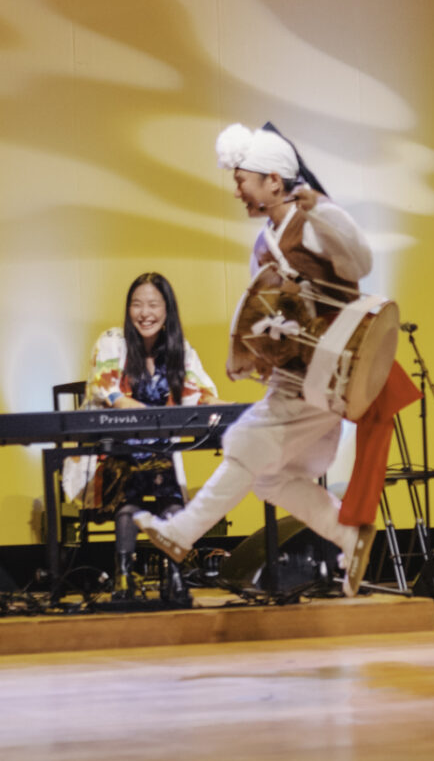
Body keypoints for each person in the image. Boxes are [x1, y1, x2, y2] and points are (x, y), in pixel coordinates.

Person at [138, 124, 376, 598]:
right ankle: (349, 535)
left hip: (327, 371)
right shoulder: (265, 242)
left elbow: (360, 263)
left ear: (272, 180)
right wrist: (257, 352)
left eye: (241, 180)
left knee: (244, 440)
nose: (237, 191)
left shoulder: (314, 221)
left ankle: (183, 531)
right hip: (298, 374)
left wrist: (324, 211)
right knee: (271, 477)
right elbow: (265, 313)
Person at [62, 271, 221, 517]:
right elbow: (108, 391)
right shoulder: (112, 341)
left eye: (153, 305)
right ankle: (126, 540)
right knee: (128, 504)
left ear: (167, 310)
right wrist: (139, 411)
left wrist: (222, 405)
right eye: (137, 305)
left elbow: (199, 392)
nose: (145, 313)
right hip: (115, 454)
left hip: (161, 455)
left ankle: (174, 537)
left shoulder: (179, 350)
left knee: (173, 507)